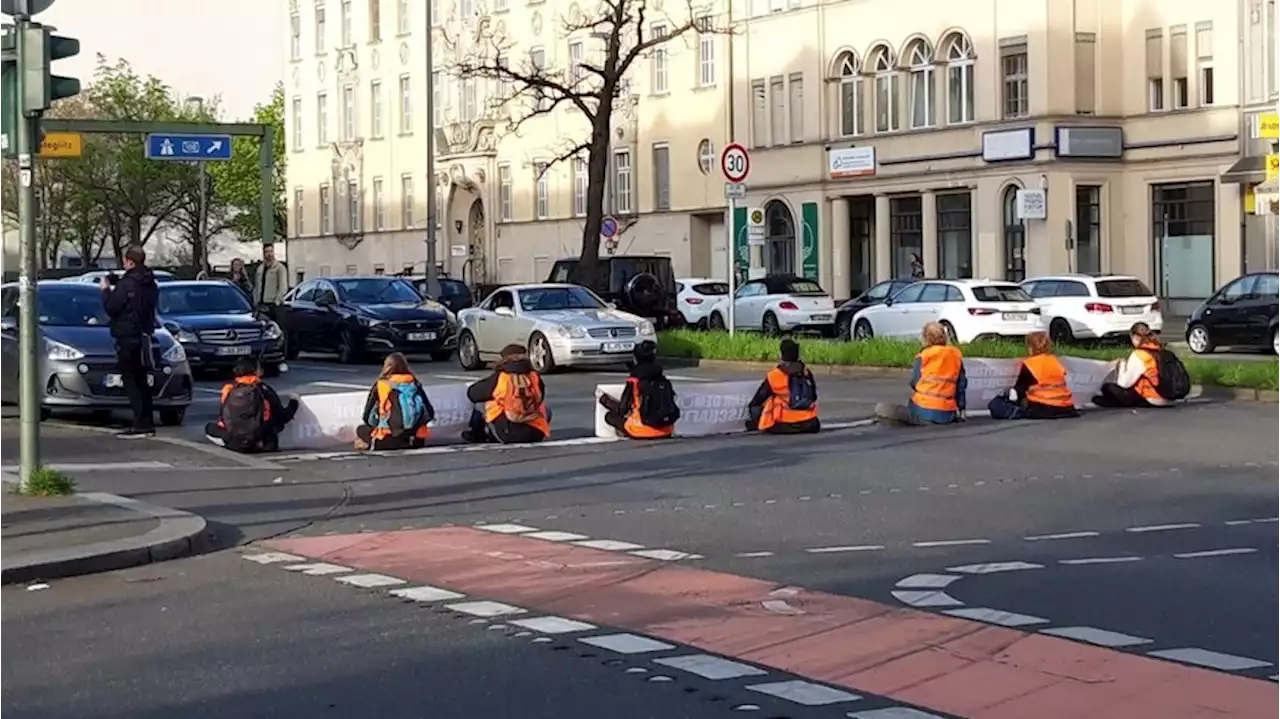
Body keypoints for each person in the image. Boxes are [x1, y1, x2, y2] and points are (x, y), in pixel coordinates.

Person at [100, 245, 160, 438]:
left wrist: (105, 290)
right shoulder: (150, 282)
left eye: (125, 261)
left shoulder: (127, 285)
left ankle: (140, 423)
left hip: (128, 336)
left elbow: (112, 307)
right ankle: (147, 421)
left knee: (131, 380)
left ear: (130, 262)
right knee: (142, 380)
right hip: (144, 335)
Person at [875, 322, 968, 426]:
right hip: (947, 413)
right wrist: (962, 408)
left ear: (926, 338)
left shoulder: (924, 356)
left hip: (923, 410)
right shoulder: (955, 355)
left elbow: (915, 382)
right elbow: (961, 386)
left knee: (882, 408)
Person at [205, 357, 299, 452]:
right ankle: (262, 441)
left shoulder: (229, 390)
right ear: (256, 371)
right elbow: (282, 417)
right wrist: (294, 402)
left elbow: (224, 417)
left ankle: (230, 442)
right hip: (260, 442)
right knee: (271, 422)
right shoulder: (263, 389)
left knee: (209, 428)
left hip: (235, 443)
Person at [463, 343, 550, 444]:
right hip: (536, 433)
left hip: (507, 434)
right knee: (545, 409)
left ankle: (477, 435)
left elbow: (472, 394)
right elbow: (540, 397)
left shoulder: (501, 378)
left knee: (482, 404)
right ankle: (537, 428)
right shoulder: (535, 377)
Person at [987, 331, 1079, 420]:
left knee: (995, 404)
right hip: (1066, 407)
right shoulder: (1055, 361)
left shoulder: (1031, 364)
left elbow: (1017, 392)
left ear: (1031, 348)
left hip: (1041, 408)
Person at [1091, 323, 1186, 408]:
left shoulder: (1140, 355)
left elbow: (1124, 384)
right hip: (1171, 398)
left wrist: (1122, 364)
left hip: (1154, 398)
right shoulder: (1163, 351)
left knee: (1107, 388)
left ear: (1135, 338)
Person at [353, 352, 435, 450]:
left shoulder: (381, 385)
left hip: (387, 438)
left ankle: (370, 443)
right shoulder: (414, 383)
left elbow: (367, 417)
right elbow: (430, 412)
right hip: (414, 439)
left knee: (361, 429)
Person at [598, 340, 679, 439]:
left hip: (640, 429)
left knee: (609, 417)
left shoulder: (634, 380)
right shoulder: (662, 379)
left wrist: (604, 399)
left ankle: (628, 431)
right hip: (666, 430)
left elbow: (622, 409)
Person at [746, 339, 820, 434]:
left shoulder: (775, 375)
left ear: (782, 355)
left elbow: (758, 400)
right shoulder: (806, 373)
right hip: (810, 423)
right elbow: (813, 397)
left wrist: (755, 419)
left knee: (770, 402)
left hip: (785, 424)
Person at [253, 244, 289, 312]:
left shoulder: (279, 267)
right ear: (264, 253)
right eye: (267, 252)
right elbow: (256, 286)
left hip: (273, 304)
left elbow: (283, 287)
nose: (269, 254)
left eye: (271, 251)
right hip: (261, 304)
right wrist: (255, 301)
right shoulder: (260, 268)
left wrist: (277, 301)